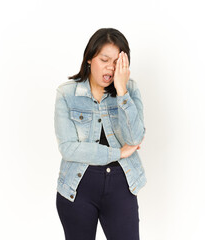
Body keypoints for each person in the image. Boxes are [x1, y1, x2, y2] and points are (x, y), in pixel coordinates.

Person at [54, 28, 146, 240]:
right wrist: (117, 153)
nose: (111, 68)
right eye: (104, 59)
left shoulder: (129, 89)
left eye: (117, 62)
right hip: (77, 187)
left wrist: (121, 91)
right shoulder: (67, 94)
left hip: (121, 185)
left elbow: (134, 139)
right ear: (89, 58)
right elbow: (68, 148)